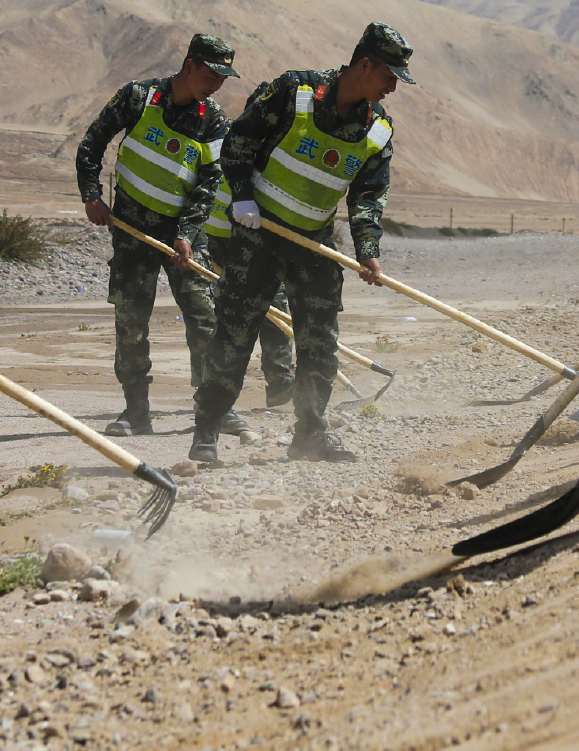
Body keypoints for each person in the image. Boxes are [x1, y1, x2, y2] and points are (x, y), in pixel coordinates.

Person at [189, 23, 409, 466]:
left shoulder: (378, 129)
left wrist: (368, 250)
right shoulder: (294, 92)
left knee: (319, 343)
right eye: (390, 76)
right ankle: (206, 431)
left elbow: (368, 196)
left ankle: (310, 436)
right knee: (234, 335)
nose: (392, 87)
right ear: (365, 65)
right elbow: (238, 143)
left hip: (313, 245)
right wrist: (242, 196)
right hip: (259, 236)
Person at [75, 34, 257, 443]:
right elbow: (92, 143)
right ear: (189, 66)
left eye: (223, 79)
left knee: (204, 318)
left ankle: (215, 409)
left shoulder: (215, 121)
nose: (216, 85)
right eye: (211, 75)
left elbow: (209, 184)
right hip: (131, 229)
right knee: (131, 320)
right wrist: (92, 195)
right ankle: (136, 412)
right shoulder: (139, 97)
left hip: (183, 235)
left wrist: (187, 234)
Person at [201, 173, 297, 407]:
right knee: (233, 313)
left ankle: (278, 381)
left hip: (253, 235)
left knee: (274, 306)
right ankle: (214, 390)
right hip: (223, 237)